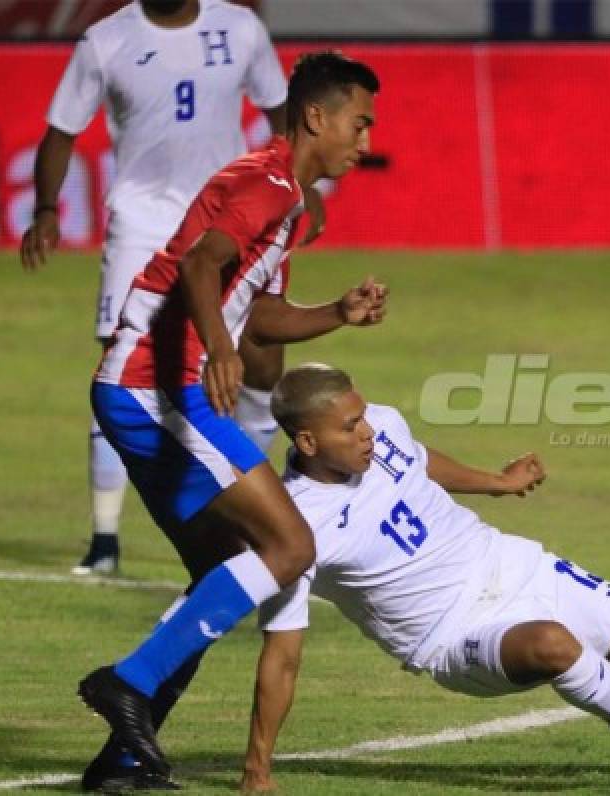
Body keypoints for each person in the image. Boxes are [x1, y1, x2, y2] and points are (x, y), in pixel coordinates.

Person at [75, 52, 384, 790]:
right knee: (289, 544)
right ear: (317, 116)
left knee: (225, 569)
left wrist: (335, 314)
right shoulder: (269, 186)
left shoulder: (283, 193)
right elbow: (200, 265)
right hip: (155, 390)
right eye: (359, 121)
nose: (365, 141)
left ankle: (122, 760)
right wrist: (217, 350)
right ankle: (126, 681)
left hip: (146, 387)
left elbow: (258, 308)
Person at [238, 364, 610, 791]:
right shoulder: (295, 528)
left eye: (362, 416)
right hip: (455, 633)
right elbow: (282, 657)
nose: (367, 432)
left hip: (515, 565)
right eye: (350, 427)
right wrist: (257, 773)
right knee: (553, 644)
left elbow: (418, 460)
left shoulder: (380, 428)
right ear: (307, 442)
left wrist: (497, 483)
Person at [20, 0, 323, 577]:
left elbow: (281, 110)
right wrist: (45, 209)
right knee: (121, 365)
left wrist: (305, 184)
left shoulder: (239, 27)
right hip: (143, 225)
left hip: (232, 219)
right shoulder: (106, 41)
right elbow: (60, 132)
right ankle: (105, 539)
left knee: (261, 365)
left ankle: (252, 509)